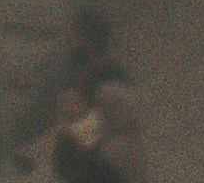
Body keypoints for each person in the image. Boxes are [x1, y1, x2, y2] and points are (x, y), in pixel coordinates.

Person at [44, 14, 144, 183]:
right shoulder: (97, 74)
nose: (71, 44)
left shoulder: (107, 84)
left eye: (75, 38)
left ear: (87, 43)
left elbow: (92, 132)